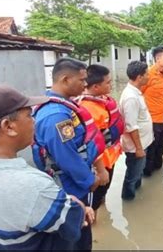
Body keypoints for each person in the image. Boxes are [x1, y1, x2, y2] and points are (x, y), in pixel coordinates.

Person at [0, 85, 92, 250]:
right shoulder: (33, 187)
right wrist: (78, 204)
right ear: (9, 127)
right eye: (28, 115)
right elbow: (73, 223)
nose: (34, 120)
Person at [32, 57, 109, 251]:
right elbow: (66, 156)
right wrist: (89, 179)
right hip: (70, 185)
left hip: (74, 180)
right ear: (66, 79)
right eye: (82, 80)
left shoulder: (65, 105)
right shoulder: (56, 115)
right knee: (76, 236)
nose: (85, 85)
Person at [77, 64, 125, 214]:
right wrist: (100, 170)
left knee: (103, 192)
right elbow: (91, 142)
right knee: (94, 201)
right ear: (96, 86)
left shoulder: (103, 100)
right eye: (108, 82)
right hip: (100, 164)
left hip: (110, 158)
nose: (111, 85)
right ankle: (96, 227)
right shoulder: (87, 108)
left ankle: (103, 211)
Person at [119, 61, 153, 200]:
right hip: (135, 148)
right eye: (147, 74)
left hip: (142, 144)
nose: (149, 77)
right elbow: (131, 126)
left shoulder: (136, 93)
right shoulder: (131, 97)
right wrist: (139, 149)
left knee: (137, 173)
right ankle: (129, 201)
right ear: (139, 77)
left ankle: (137, 195)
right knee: (132, 176)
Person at [141, 46, 163, 176]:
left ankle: (159, 175)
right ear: (158, 58)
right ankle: (147, 174)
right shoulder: (147, 74)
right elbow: (138, 95)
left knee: (161, 146)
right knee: (151, 149)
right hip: (152, 120)